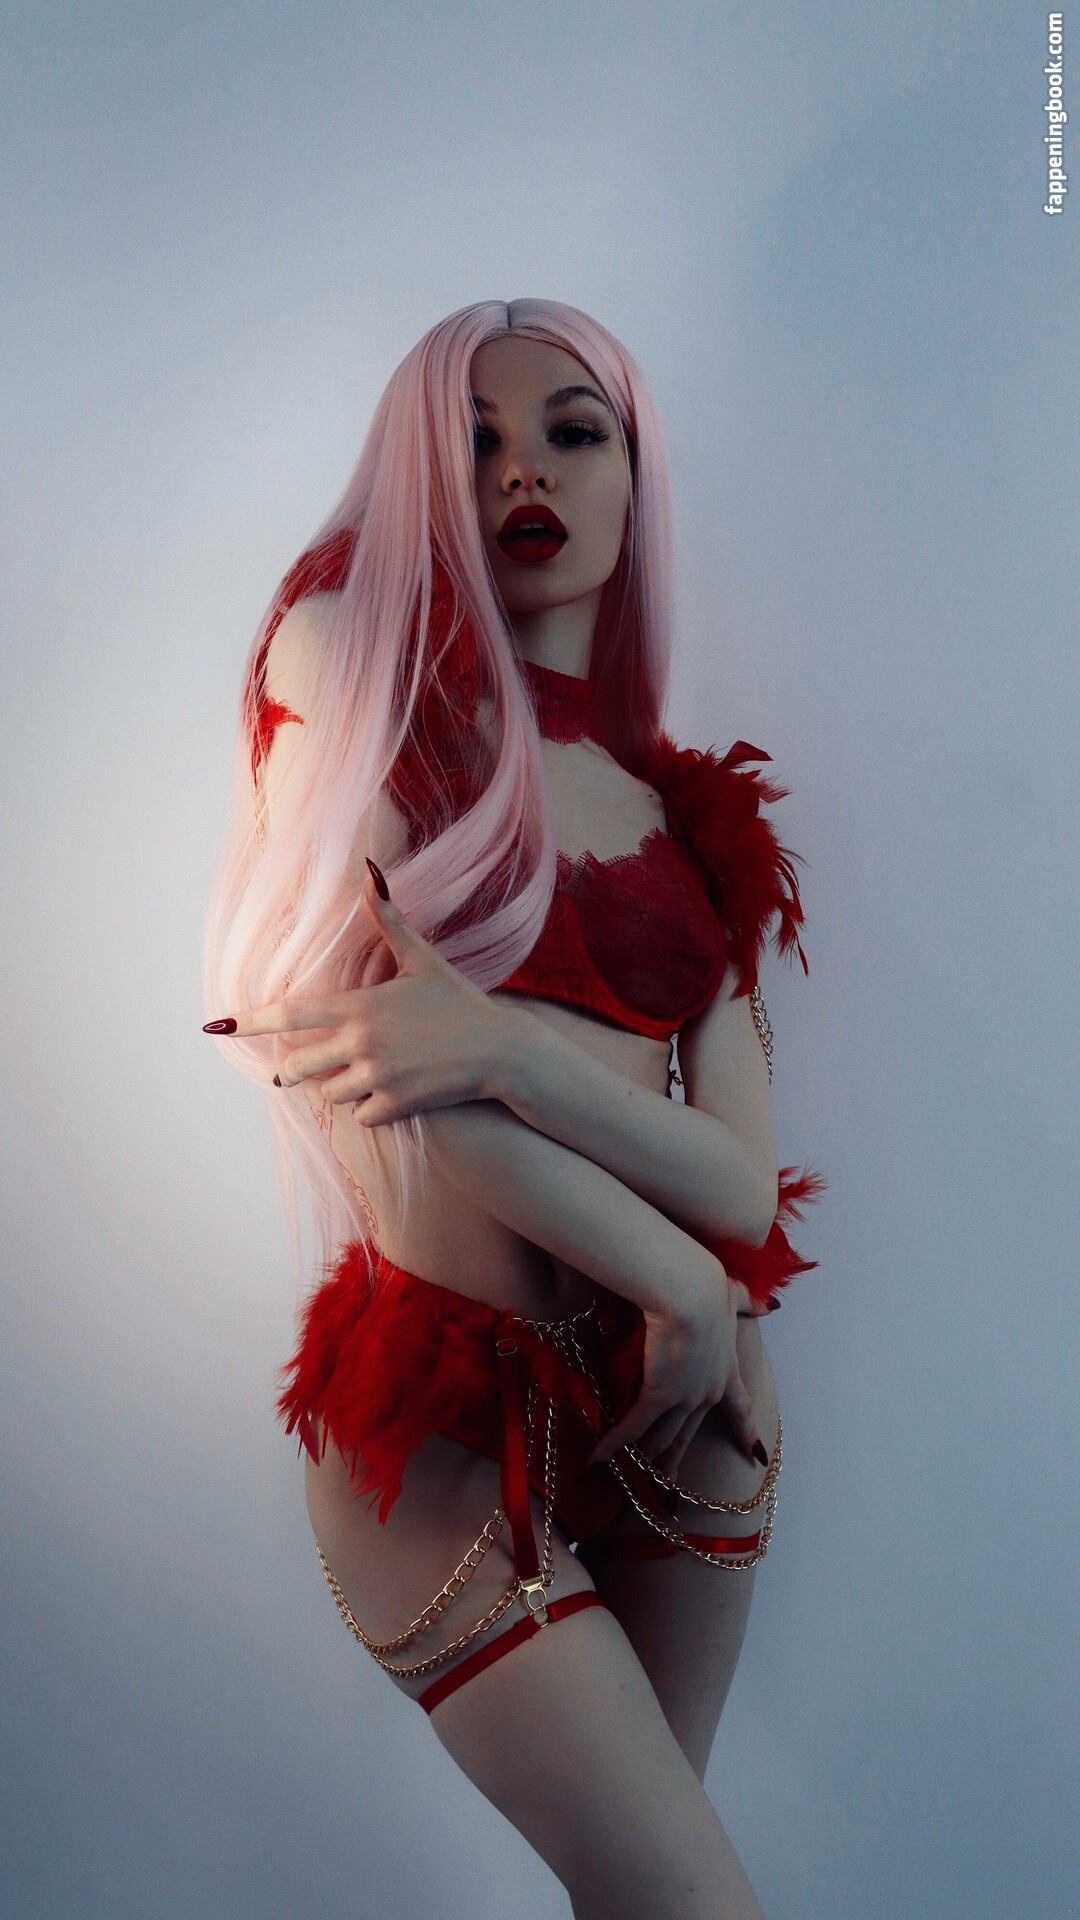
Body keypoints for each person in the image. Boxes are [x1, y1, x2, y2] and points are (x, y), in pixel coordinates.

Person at [203, 298, 824, 1920]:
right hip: (449, 1434)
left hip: (687, 1411)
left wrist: (499, 1052)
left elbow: (738, 1190)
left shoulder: (691, 820)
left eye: (571, 431)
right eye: (472, 441)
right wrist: (672, 1269)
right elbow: (352, 1056)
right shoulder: (352, 665)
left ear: (636, 479)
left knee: (643, 1899)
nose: (522, 470)